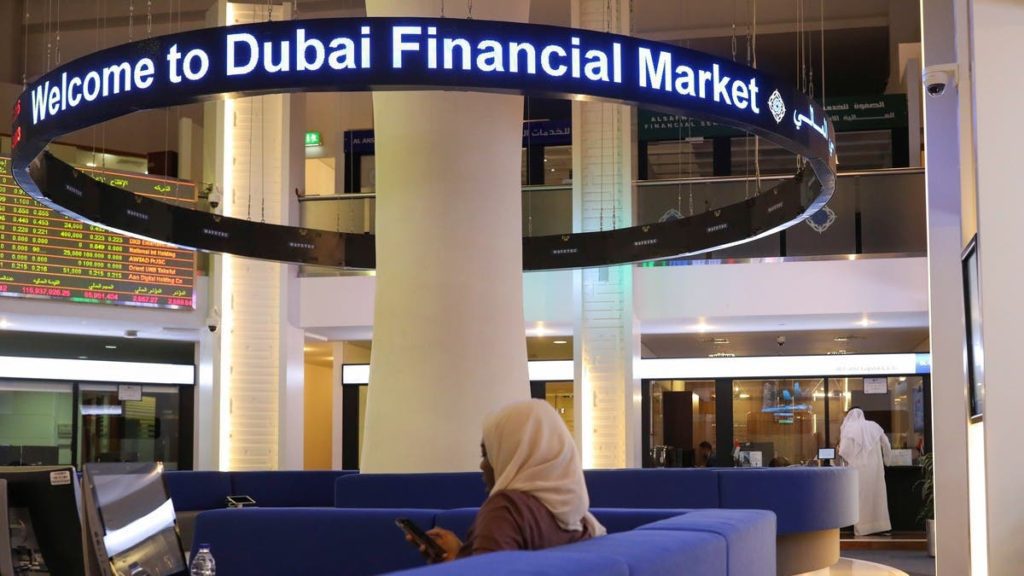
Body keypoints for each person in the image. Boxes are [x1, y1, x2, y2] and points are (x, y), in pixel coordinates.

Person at [412, 399, 606, 561]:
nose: (483, 465)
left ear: (515, 455)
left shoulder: (507, 509)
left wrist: (451, 565)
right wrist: (460, 554)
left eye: (489, 454)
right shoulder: (579, 519)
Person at [838, 407, 893, 536]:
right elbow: (887, 444)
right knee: (877, 496)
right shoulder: (874, 426)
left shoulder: (849, 428)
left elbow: (844, 451)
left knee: (860, 498)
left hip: (857, 470)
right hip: (875, 468)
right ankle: (881, 526)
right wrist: (887, 461)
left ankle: (862, 528)